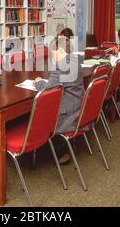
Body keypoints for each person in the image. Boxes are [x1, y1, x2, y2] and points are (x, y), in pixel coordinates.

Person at [34, 28, 84, 165]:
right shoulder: (75, 61)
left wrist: (38, 83)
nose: (52, 56)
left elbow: (47, 90)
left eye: (53, 53)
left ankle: (36, 143)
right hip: (79, 105)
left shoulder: (62, 66)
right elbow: (56, 83)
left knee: (38, 108)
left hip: (68, 112)